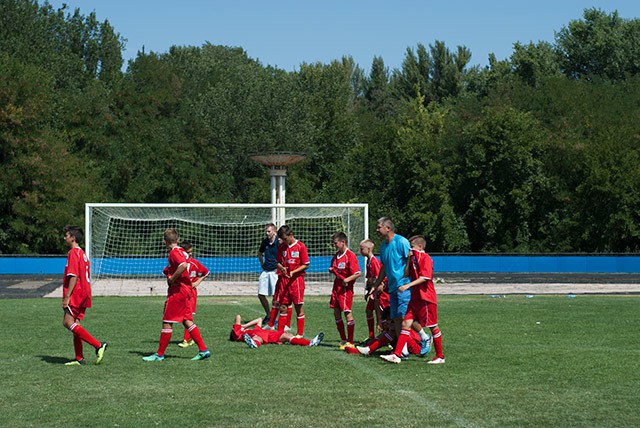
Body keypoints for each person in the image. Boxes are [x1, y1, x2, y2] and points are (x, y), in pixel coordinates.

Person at [143, 228, 211, 362]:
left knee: (167, 322)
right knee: (187, 321)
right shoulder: (182, 251)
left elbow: (183, 265)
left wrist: (172, 278)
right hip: (186, 290)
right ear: (178, 240)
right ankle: (203, 350)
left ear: (164, 242)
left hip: (178, 292)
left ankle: (159, 354)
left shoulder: (174, 253)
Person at [380, 235, 435, 364]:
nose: (410, 249)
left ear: (420, 247)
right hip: (408, 292)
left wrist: (407, 285)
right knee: (403, 321)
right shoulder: (413, 259)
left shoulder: (425, 258)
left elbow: (426, 277)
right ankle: (399, 353)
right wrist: (409, 260)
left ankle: (437, 353)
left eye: (412, 247)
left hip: (424, 296)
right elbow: (406, 273)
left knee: (433, 326)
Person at [61, 225, 108, 366]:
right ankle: (79, 358)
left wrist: (67, 296)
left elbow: (74, 276)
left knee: (67, 322)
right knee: (76, 324)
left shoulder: (73, 253)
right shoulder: (82, 253)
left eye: (67, 235)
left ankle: (98, 345)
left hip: (76, 293)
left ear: (73, 238)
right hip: (84, 293)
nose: (65, 238)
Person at [372, 217, 411, 341]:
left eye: (379, 227)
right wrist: (376, 284)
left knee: (405, 318)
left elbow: (411, 259)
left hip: (404, 286)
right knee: (397, 318)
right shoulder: (383, 246)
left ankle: (422, 338)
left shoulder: (401, 242)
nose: (377, 230)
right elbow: (384, 267)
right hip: (393, 287)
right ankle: (402, 349)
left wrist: (407, 279)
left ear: (388, 228)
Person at [328, 232, 362, 349]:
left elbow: (358, 273)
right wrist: (332, 270)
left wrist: (347, 279)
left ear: (343, 242)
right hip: (336, 288)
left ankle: (350, 341)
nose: (335, 245)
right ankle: (343, 339)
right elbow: (337, 270)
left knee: (347, 313)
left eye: (336, 243)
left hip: (345, 290)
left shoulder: (350, 255)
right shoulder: (335, 256)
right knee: (336, 313)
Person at [275, 225, 309, 337]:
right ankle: (279, 334)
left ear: (290, 235)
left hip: (297, 281)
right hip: (285, 281)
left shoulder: (300, 246)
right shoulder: (282, 248)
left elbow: (305, 264)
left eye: (285, 238)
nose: (284, 241)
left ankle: (299, 334)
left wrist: (294, 272)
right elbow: (278, 262)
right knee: (283, 307)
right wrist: (282, 268)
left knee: (298, 307)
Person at [177, 242, 210, 348]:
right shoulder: (178, 264)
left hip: (191, 292)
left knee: (188, 316)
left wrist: (197, 282)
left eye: (191, 252)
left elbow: (206, 272)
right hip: (181, 292)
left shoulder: (195, 263)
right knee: (182, 316)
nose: (190, 254)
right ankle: (190, 338)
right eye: (188, 252)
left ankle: (187, 340)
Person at [229, 314, 324, 348]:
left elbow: (259, 319)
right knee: (257, 338)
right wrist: (241, 327)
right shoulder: (239, 332)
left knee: (287, 335)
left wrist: (244, 325)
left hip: (268, 333)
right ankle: (254, 343)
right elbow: (238, 316)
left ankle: (310, 343)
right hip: (257, 334)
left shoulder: (248, 329)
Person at [359, 239, 389, 341]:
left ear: (369, 249)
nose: (360, 251)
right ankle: (371, 336)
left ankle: (387, 337)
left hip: (380, 293)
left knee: (381, 315)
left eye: (362, 249)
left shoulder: (375, 262)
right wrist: (368, 291)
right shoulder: (368, 261)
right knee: (368, 311)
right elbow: (370, 279)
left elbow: (379, 280)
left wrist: (374, 292)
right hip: (373, 291)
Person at [257, 223, 279, 324]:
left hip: (275, 271)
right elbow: (259, 253)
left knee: (276, 297)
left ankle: (276, 318)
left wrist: (281, 267)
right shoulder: (265, 242)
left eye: (269, 231)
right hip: (266, 270)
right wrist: (262, 264)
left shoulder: (279, 242)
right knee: (261, 294)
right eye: (266, 231)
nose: (267, 233)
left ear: (274, 231)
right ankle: (269, 314)